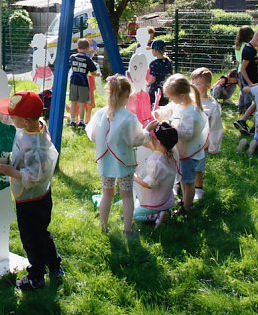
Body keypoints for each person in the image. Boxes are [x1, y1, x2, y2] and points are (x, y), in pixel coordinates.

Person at [0, 90, 63, 290]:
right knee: (41, 233)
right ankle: (55, 265)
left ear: (24, 121)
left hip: (31, 200)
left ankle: (36, 277)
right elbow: (15, 121)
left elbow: (35, 176)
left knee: (31, 239)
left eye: (12, 116)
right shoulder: (36, 125)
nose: (9, 118)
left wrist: (10, 171)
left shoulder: (36, 147)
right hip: (42, 195)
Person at [86, 75, 149, 235]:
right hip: (123, 163)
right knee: (127, 196)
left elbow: (92, 135)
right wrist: (147, 131)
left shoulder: (100, 114)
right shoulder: (129, 117)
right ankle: (127, 230)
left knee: (106, 193)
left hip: (105, 162)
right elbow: (136, 140)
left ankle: (103, 227)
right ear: (127, 94)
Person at [151, 74, 207, 213]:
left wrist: (171, 129)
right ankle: (185, 202)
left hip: (189, 152)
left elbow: (188, 133)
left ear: (182, 95)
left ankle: (187, 208)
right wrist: (159, 113)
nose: (171, 100)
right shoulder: (180, 103)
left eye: (172, 97)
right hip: (182, 150)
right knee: (182, 178)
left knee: (188, 182)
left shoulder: (191, 112)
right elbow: (168, 109)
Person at [133, 124, 178, 227]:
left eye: (152, 138)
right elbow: (148, 144)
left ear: (158, 142)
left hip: (155, 202)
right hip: (166, 199)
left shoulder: (155, 161)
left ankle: (156, 216)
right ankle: (163, 212)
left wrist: (133, 176)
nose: (151, 139)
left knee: (134, 215)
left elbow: (148, 184)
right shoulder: (170, 154)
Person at [190, 68, 223, 201]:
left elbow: (216, 127)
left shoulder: (212, 105)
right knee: (181, 165)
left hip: (201, 143)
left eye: (198, 84)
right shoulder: (187, 99)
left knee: (198, 167)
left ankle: (198, 189)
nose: (194, 86)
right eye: (192, 83)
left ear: (208, 86)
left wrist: (213, 146)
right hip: (186, 141)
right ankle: (178, 184)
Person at [234, 27, 258, 131]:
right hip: (250, 82)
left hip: (254, 81)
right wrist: (250, 83)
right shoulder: (248, 50)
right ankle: (252, 125)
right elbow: (243, 69)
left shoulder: (252, 49)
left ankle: (244, 122)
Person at [68, 38, 99, 128]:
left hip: (73, 82)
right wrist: (97, 74)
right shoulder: (88, 60)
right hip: (83, 83)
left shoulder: (72, 57)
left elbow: (69, 64)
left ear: (78, 48)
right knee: (82, 103)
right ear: (88, 49)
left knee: (73, 102)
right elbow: (93, 72)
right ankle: (81, 122)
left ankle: (72, 121)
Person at [147, 39, 173, 106]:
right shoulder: (168, 62)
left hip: (155, 91)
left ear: (155, 51)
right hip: (166, 90)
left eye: (152, 50)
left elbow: (153, 78)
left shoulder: (153, 64)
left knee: (154, 107)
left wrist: (147, 85)